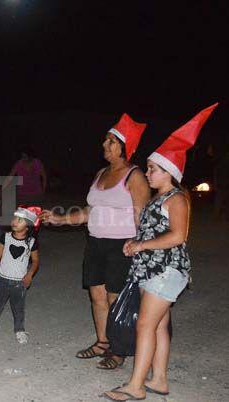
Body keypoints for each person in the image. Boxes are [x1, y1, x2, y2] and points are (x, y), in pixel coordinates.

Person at [104, 103, 217, 401]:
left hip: (165, 271)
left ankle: (136, 385)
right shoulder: (162, 197)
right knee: (159, 326)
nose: (149, 173)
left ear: (168, 172)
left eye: (153, 169)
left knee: (145, 324)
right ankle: (160, 380)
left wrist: (141, 245)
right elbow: (153, 231)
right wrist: (135, 243)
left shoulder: (177, 198)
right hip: (154, 269)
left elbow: (178, 235)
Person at [40, 114, 150, 369]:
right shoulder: (101, 173)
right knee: (97, 296)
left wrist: (138, 246)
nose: (104, 144)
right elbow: (90, 211)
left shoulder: (135, 176)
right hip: (95, 243)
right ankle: (102, 342)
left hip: (121, 245)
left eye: (111, 141)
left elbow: (142, 217)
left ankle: (118, 348)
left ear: (124, 147)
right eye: (106, 140)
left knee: (115, 298)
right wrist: (60, 219)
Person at [0, 206, 41, 344]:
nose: (15, 221)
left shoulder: (31, 242)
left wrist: (30, 274)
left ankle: (20, 330)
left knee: (18, 308)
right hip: (2, 279)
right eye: (14, 218)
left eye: (20, 220)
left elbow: (36, 261)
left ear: (28, 227)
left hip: (19, 283)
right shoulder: (5, 237)